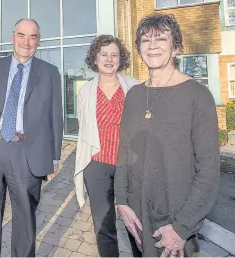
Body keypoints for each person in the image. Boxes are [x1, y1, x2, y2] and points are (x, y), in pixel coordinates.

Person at [114, 13, 220, 257]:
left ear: (176, 48)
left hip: (176, 223)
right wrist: (121, 200)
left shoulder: (198, 96)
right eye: (145, 40)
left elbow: (208, 171)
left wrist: (181, 228)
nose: (152, 46)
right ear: (139, 48)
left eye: (161, 39)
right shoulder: (134, 96)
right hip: (137, 217)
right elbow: (125, 151)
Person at [0, 18, 63, 257]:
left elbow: (56, 117)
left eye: (33, 37)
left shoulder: (50, 73)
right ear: (12, 38)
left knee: (25, 219)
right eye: (21, 35)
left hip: (27, 153)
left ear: (38, 42)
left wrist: (54, 157)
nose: (26, 42)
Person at [74, 35, 140, 257]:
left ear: (121, 59)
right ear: (95, 58)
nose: (109, 59)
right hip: (98, 166)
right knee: (104, 226)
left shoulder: (135, 86)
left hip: (129, 165)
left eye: (114, 55)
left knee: (136, 223)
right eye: (104, 54)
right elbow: (84, 130)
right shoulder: (85, 92)